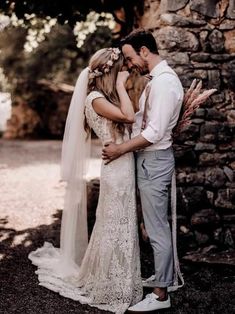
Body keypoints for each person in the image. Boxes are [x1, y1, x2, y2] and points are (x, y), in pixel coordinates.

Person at [28, 47, 143, 314]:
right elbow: (128, 116)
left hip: (121, 163)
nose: (123, 72)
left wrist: (118, 89)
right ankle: (109, 281)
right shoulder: (95, 99)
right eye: (118, 70)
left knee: (119, 222)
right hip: (116, 168)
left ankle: (119, 278)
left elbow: (129, 118)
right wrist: (122, 87)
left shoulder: (105, 98)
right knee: (115, 222)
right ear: (109, 72)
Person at [102, 29, 185, 312]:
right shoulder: (155, 81)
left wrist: (119, 150)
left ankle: (161, 295)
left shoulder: (164, 84)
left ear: (144, 51)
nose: (129, 64)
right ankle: (163, 278)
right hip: (148, 160)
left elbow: (153, 133)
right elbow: (141, 121)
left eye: (130, 57)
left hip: (154, 160)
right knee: (152, 226)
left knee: (156, 228)